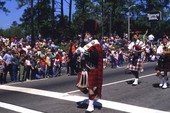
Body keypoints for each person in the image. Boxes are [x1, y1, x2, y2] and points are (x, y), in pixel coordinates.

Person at [76, 31, 103, 112]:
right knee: (79, 86)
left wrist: (86, 52)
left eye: (87, 34)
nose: (85, 36)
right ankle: (91, 95)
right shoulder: (83, 45)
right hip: (83, 68)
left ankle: (90, 105)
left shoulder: (96, 44)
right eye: (85, 34)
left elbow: (96, 56)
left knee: (90, 88)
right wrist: (76, 53)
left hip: (91, 68)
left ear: (91, 35)